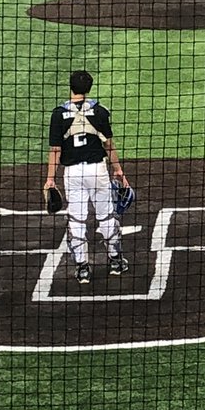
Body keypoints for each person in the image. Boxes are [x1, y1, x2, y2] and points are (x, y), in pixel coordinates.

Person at [44, 70, 130, 284]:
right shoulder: (100, 112)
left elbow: (55, 150)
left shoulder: (58, 114)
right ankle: (116, 261)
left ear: (70, 86)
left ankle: (82, 268)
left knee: (77, 219)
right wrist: (118, 170)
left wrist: (50, 179)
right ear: (89, 88)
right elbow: (108, 145)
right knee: (106, 216)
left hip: (73, 173)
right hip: (98, 171)